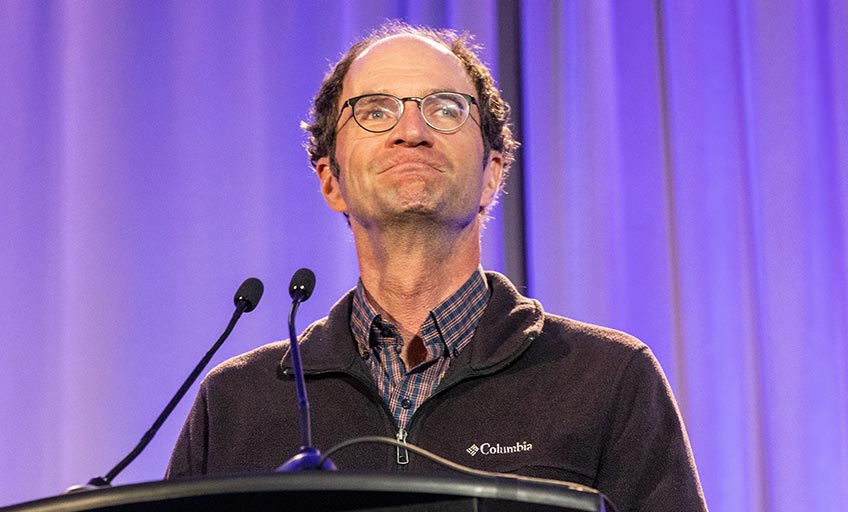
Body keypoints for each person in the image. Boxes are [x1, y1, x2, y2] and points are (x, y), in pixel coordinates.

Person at [166, 21, 707, 511]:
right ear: (330, 180)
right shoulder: (236, 402)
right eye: (376, 110)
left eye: (445, 109)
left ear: (492, 174)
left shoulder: (609, 378)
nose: (412, 131)